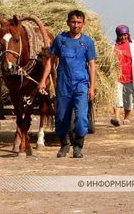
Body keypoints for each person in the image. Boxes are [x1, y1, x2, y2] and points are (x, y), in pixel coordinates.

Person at [37, 10, 96, 158]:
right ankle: (64, 145)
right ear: (68, 22)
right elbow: (51, 61)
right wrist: (43, 80)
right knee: (62, 117)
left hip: (81, 84)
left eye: (79, 22)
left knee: (81, 117)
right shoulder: (60, 39)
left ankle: (78, 146)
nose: (76, 25)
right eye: (73, 22)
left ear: (83, 24)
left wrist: (91, 87)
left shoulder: (87, 42)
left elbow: (91, 64)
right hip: (63, 84)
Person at [110, 24, 134, 127]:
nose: (123, 37)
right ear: (118, 35)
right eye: (121, 35)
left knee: (128, 98)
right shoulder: (113, 46)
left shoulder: (133, 47)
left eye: (125, 35)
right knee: (117, 97)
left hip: (129, 76)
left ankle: (126, 117)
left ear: (128, 35)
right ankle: (116, 117)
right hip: (117, 76)